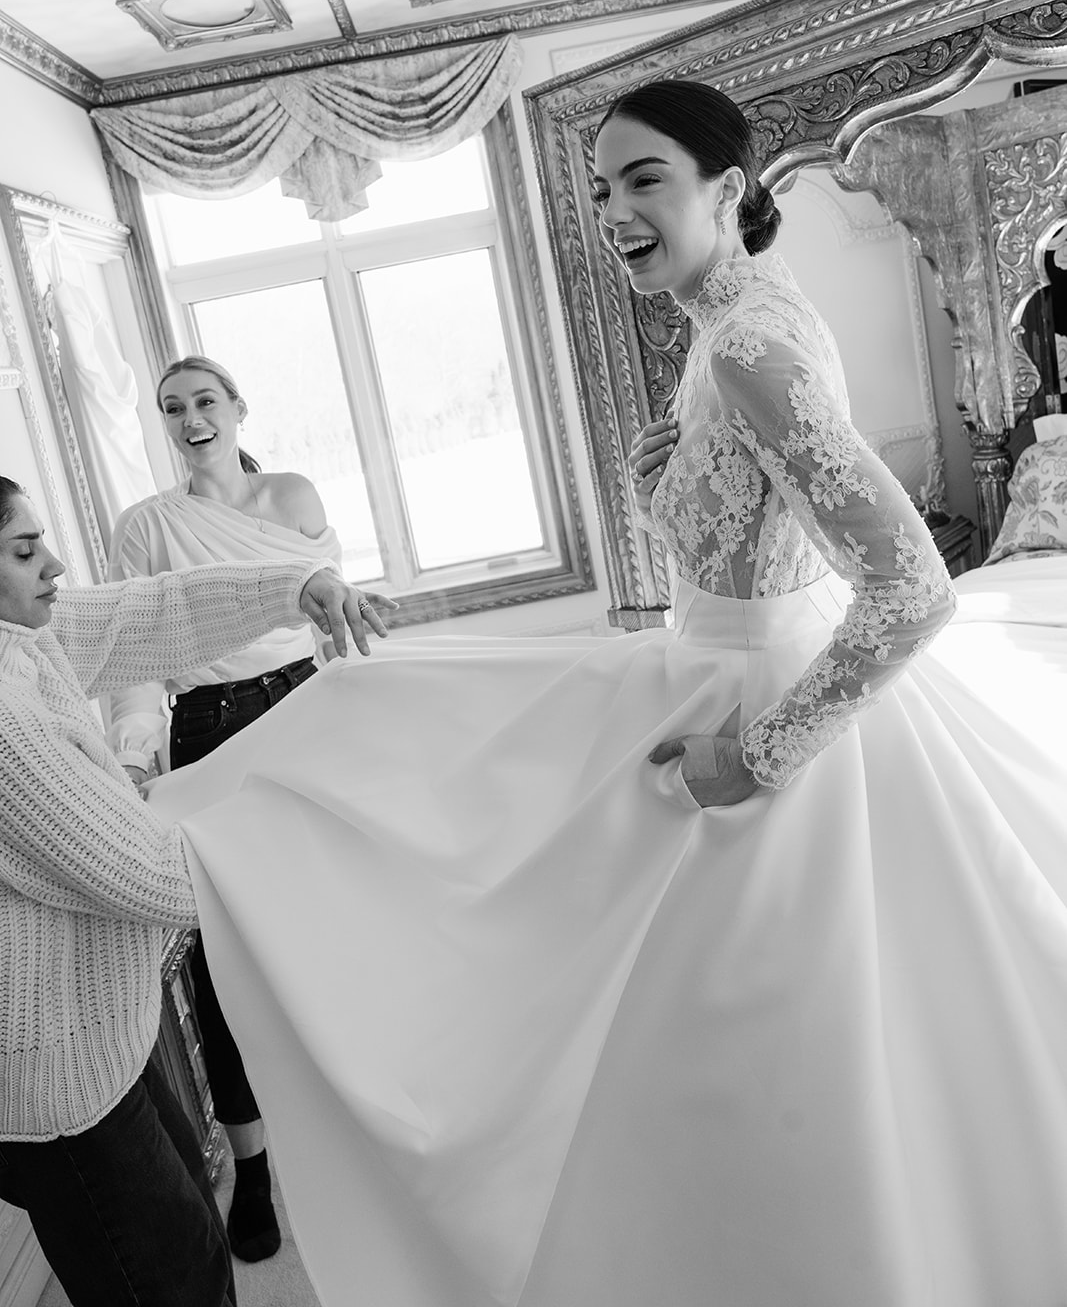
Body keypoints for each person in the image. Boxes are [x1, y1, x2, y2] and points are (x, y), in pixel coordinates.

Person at [147, 80, 1067, 1307]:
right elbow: (752, 534)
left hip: (763, 728)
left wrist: (757, 755)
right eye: (599, 189)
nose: (614, 212)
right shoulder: (735, 317)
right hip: (725, 669)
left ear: (725, 188)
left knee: (761, 1059)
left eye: (644, 180)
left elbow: (911, 587)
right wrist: (665, 480)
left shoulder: (747, 343)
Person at [0, 472, 390, 1307]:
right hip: (53, 1076)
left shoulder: (25, 638)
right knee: (170, 1283)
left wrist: (296, 583)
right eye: (25, 551)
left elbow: (150, 611)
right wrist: (322, 828)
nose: (55, 565)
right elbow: (154, 878)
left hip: (101, 1032)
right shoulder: (5, 722)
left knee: (194, 1254)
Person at [107, 353, 346, 1263]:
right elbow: (131, 652)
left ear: (238, 407)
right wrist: (135, 756)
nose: (190, 419)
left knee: (331, 915)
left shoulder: (292, 495)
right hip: (208, 728)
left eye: (204, 400)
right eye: (172, 408)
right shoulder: (146, 526)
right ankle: (251, 1164)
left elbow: (334, 617)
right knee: (220, 950)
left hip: (306, 707)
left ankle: (354, 1118)